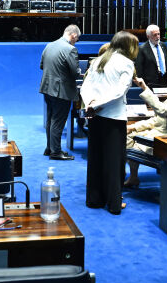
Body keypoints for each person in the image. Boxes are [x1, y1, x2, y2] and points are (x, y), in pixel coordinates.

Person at [81, 31, 138, 214]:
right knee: (114, 162)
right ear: (129, 46)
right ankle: (114, 203)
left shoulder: (98, 60)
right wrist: (97, 104)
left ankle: (94, 200)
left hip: (95, 116)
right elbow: (119, 91)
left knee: (95, 159)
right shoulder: (127, 63)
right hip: (114, 117)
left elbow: (86, 86)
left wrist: (90, 104)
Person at [124, 75, 167, 187]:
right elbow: (156, 120)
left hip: (161, 141)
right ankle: (133, 177)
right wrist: (133, 127)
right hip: (162, 136)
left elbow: (162, 110)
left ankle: (122, 176)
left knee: (122, 141)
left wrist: (144, 87)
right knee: (129, 134)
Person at [40, 25, 81, 161]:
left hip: (47, 87)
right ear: (73, 35)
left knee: (50, 119)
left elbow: (42, 66)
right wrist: (80, 72)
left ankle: (50, 148)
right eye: (77, 39)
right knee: (58, 121)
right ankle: (56, 152)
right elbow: (75, 73)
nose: (76, 41)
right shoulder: (70, 49)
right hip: (61, 90)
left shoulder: (49, 45)